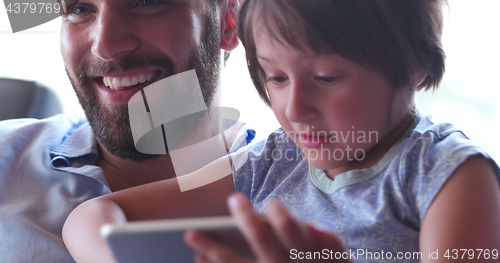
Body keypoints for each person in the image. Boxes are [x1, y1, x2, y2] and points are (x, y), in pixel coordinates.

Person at [63, 0, 500, 262]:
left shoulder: (446, 175)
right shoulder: (273, 162)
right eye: (276, 78)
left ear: (416, 66)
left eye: (327, 79)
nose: (293, 109)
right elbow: (92, 218)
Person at [0, 0, 253, 262]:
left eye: (145, 2)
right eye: (79, 9)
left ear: (229, 21)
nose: (105, 46)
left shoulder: (289, 183)